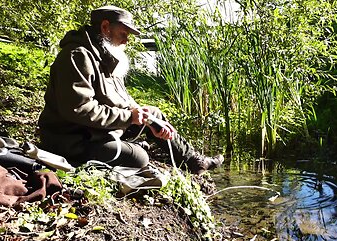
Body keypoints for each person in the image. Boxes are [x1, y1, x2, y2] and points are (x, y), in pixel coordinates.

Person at [38, 5, 223, 175]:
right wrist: (130, 117)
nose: (126, 41)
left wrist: (146, 117)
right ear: (105, 27)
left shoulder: (104, 56)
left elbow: (121, 99)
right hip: (73, 141)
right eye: (123, 34)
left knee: (154, 113)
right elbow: (80, 110)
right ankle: (132, 146)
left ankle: (194, 161)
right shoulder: (77, 57)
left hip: (96, 130)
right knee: (139, 157)